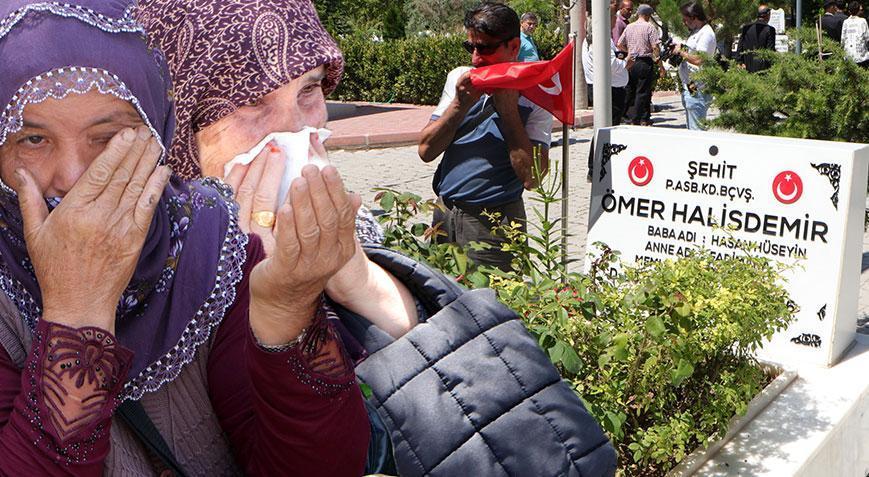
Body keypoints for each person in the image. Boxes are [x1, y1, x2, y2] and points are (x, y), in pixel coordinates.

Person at [0, 0, 369, 475]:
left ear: (159, 132)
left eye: (108, 136)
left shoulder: (214, 245)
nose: (73, 178)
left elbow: (322, 464)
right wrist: (76, 314)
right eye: (33, 140)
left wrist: (288, 310)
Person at [134, 0, 420, 338]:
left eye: (309, 89)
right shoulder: (134, 264)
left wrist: (350, 272)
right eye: (251, 100)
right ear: (176, 124)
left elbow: (423, 351)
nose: (294, 128)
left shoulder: (341, 225)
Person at [418, 2, 552, 272]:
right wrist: (459, 105)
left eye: (486, 48)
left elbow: (532, 178)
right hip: (445, 214)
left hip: (495, 224)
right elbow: (426, 151)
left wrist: (509, 112)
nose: (476, 59)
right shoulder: (459, 78)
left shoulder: (535, 93)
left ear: (514, 47)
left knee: (493, 308)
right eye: (471, 47)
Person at [674, 1, 717, 130]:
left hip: (698, 88)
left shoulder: (706, 34)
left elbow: (699, 59)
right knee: (692, 127)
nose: (684, 23)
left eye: (685, 19)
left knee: (696, 130)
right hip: (691, 86)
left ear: (694, 17)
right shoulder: (696, 32)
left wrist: (681, 52)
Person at [617, 4, 661, 126]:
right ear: (647, 15)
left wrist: (629, 51)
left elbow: (619, 44)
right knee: (643, 90)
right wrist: (657, 58)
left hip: (631, 60)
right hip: (644, 61)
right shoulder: (650, 27)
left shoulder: (629, 27)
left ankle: (628, 116)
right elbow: (655, 46)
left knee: (630, 89)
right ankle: (639, 118)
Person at [736, 5, 777, 72]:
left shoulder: (746, 28)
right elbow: (770, 51)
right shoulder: (770, 30)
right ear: (768, 15)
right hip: (763, 69)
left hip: (746, 66)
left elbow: (740, 46)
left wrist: (740, 62)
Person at [842, 1, 869, 67]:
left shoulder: (846, 22)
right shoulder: (863, 21)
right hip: (861, 56)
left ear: (850, 11)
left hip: (848, 55)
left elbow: (842, 39)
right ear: (858, 10)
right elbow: (867, 37)